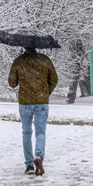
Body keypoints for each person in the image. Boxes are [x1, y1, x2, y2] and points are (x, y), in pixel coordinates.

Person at [8, 47, 58, 176]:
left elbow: (12, 83)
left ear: (24, 47)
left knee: (26, 132)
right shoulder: (45, 60)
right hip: (41, 101)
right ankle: (38, 156)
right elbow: (54, 79)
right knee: (40, 132)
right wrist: (46, 92)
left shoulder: (19, 61)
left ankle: (29, 165)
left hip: (25, 101)